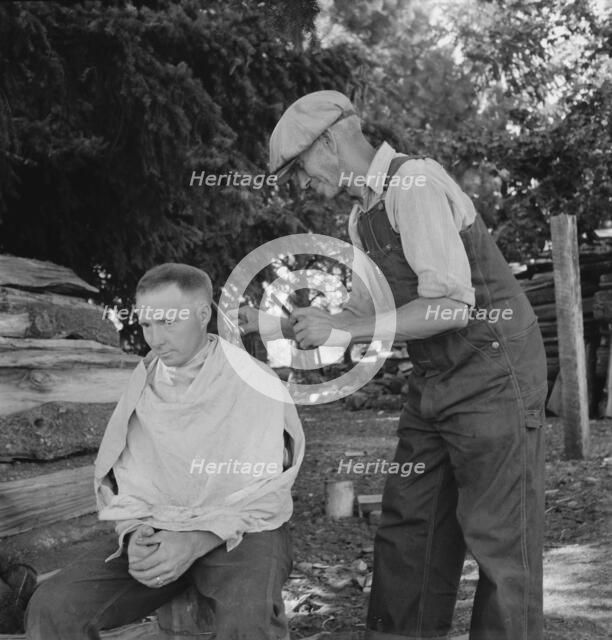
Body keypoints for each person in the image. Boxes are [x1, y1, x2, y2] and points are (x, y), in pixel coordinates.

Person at [244, 90, 547, 640]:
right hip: (435, 380)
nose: (300, 184)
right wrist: (308, 324)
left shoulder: (417, 185)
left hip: (495, 373)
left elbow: (453, 306)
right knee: (410, 524)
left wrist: (348, 328)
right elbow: (375, 312)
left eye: (299, 169)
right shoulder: (363, 217)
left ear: (330, 141)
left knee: (499, 537)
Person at [26, 263, 304, 640]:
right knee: (53, 608)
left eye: (168, 322)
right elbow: (123, 476)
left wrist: (197, 539)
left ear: (203, 314)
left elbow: (267, 491)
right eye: (146, 325)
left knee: (247, 620)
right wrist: (134, 534)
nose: (155, 339)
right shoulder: (144, 381)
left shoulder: (253, 381)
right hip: (160, 529)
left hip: (244, 531)